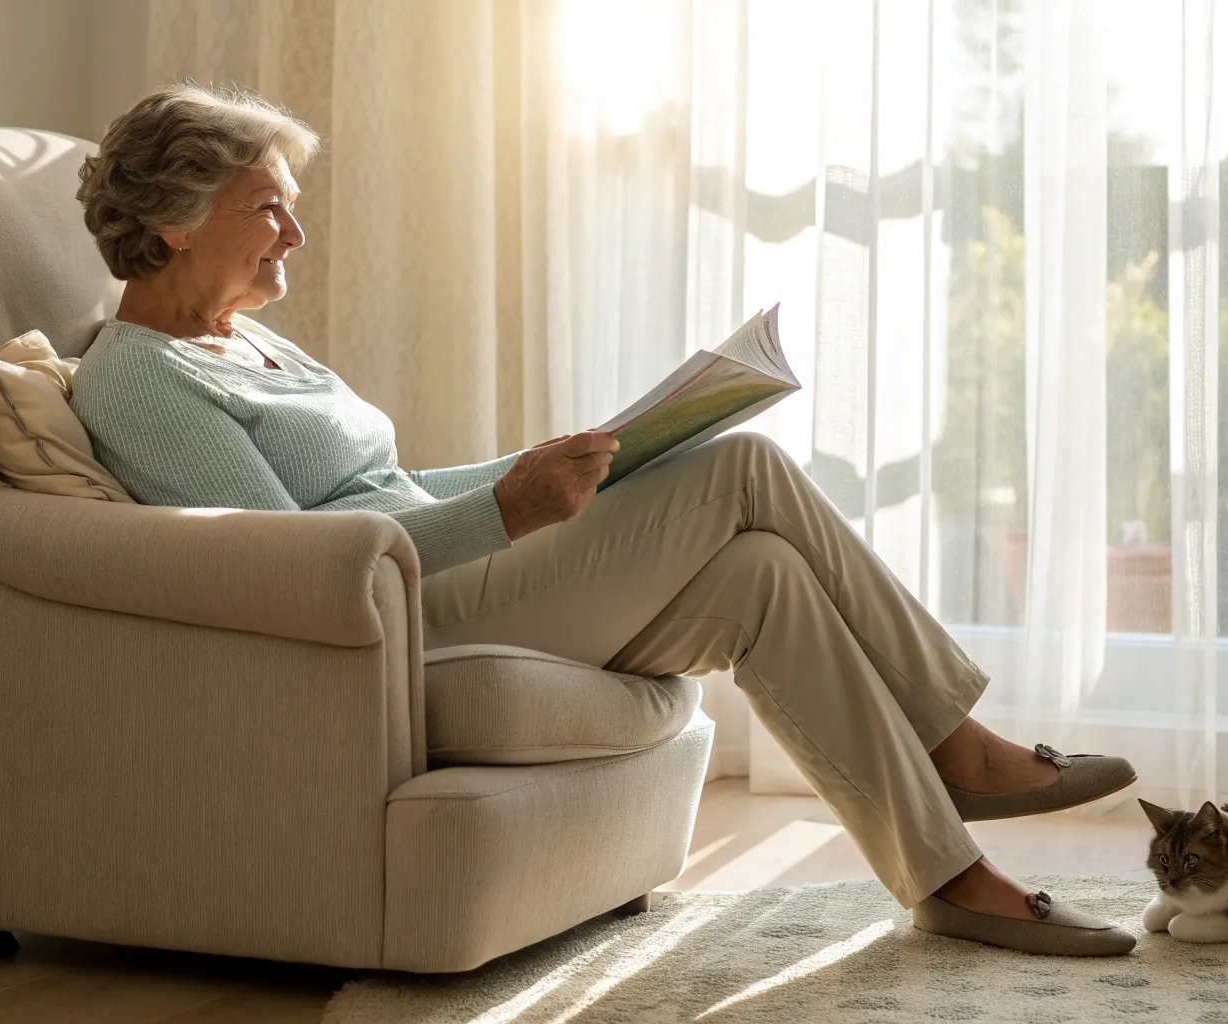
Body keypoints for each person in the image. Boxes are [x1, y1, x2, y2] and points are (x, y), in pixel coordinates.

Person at [70, 83, 1139, 957]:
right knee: (746, 467)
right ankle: (956, 741)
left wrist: (559, 462)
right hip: (400, 625)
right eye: (269, 206)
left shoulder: (246, 343)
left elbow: (383, 486)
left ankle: (948, 875)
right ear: (173, 221)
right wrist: (505, 510)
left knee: (758, 574)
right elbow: (293, 570)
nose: (294, 232)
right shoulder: (138, 381)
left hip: (434, 568)